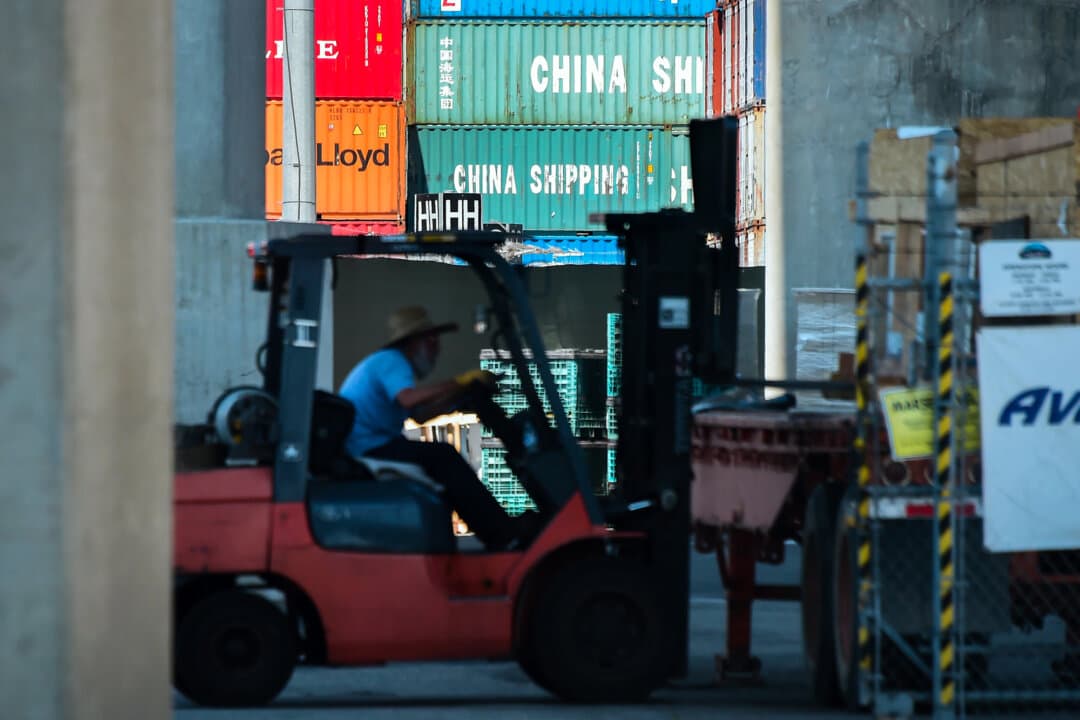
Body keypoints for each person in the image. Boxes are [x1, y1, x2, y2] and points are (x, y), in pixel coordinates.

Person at [338, 305, 529, 550]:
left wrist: (460, 398)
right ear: (412, 343)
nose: (436, 346)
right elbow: (409, 399)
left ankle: (497, 530)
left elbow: (420, 416)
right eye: (429, 339)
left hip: (372, 443)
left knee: (441, 457)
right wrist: (458, 381)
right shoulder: (392, 361)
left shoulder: (390, 365)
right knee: (444, 455)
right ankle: (501, 534)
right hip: (366, 446)